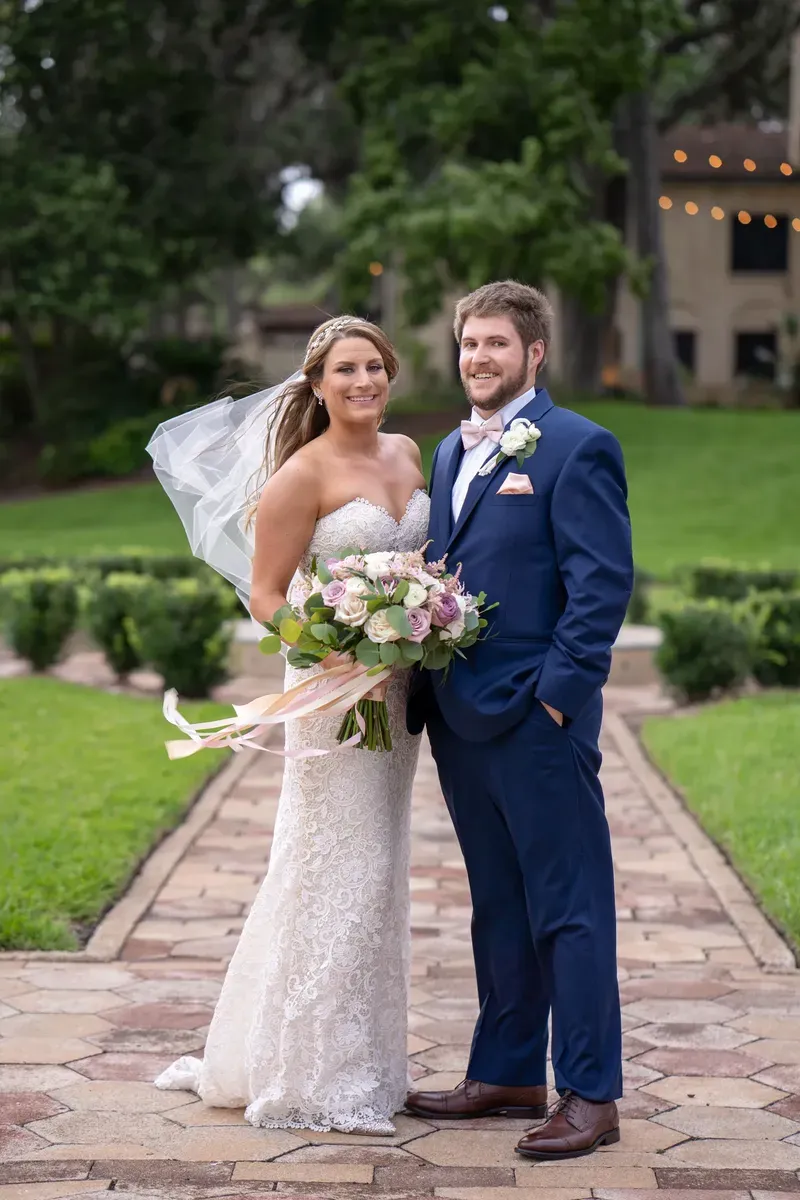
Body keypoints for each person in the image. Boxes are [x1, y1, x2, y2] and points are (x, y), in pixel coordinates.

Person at [152, 316, 429, 1134]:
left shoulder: (408, 454)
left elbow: (423, 565)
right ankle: (311, 1074)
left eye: (375, 366)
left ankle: (367, 1062)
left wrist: (423, 618)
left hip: (397, 696)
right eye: (346, 369)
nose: (363, 381)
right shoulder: (300, 475)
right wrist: (330, 645)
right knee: (335, 866)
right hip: (331, 694)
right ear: (316, 383)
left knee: (381, 871)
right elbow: (267, 595)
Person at [406, 280, 633, 1160]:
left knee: (569, 909)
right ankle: (505, 1071)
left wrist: (556, 698)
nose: (479, 358)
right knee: (497, 903)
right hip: (461, 718)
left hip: (538, 721)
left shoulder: (579, 446)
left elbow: (600, 587)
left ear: (534, 353)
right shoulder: (447, 450)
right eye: (469, 343)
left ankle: (591, 1093)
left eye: (496, 343)